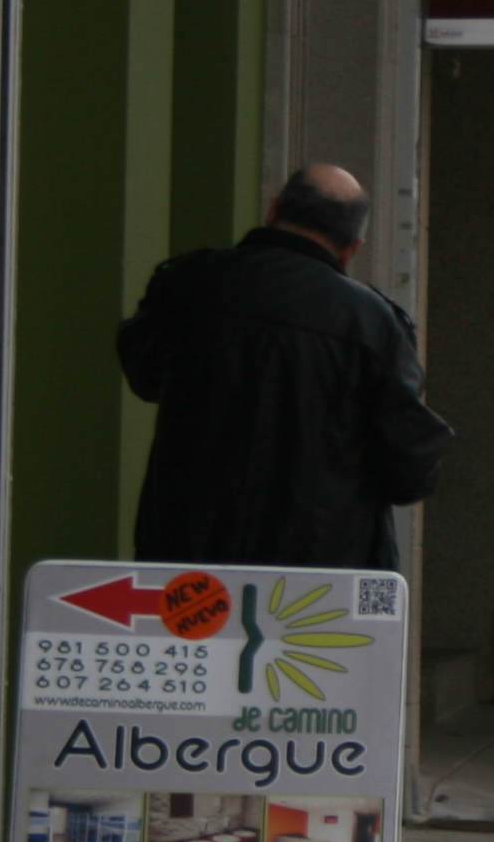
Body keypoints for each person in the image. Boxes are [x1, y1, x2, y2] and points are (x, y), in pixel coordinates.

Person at [119, 164, 454, 568]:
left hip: (187, 566)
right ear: (353, 247)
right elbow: (410, 469)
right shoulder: (372, 324)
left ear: (273, 210)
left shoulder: (186, 285)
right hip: (315, 582)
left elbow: (143, 373)